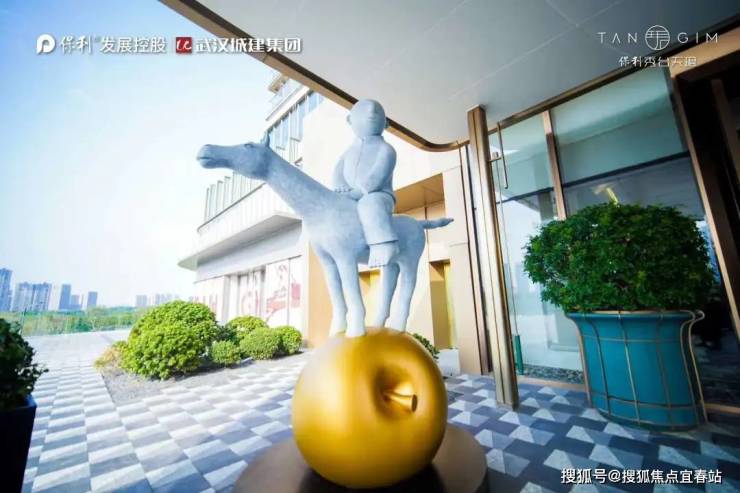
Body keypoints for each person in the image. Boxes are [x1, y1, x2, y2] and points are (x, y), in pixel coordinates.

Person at [332, 99, 399, 268]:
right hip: (350, 195)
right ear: (349, 120)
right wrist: (340, 187)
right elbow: (338, 171)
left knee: (369, 204)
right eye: (363, 111)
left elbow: (377, 176)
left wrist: (358, 192)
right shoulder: (348, 152)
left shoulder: (386, 149)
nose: (371, 111)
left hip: (379, 195)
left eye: (377, 112)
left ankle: (383, 243)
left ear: (386, 123)